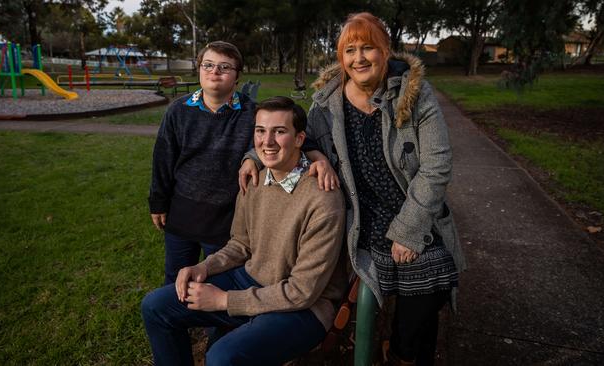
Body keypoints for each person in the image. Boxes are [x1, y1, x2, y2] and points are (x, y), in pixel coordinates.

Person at [240, 13, 466, 366]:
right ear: (340, 58)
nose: (359, 58)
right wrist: (254, 157)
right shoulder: (327, 104)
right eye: (349, 50)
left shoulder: (414, 94)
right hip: (360, 222)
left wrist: (408, 231)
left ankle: (403, 353)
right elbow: (291, 133)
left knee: (427, 289)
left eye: (368, 48)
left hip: (412, 213)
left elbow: (437, 165)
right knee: (372, 289)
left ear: (386, 50)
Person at [141, 96, 347, 366]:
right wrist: (205, 267)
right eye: (261, 131)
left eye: (280, 131)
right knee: (156, 306)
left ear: (300, 139)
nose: (267, 141)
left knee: (222, 356)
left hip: (306, 308)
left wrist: (225, 300)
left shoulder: (324, 200)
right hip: (251, 280)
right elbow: (241, 244)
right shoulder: (255, 180)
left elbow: (302, 291)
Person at [148, 41, 256, 285]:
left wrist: (317, 156)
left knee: (219, 282)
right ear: (199, 69)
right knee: (176, 280)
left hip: (226, 220)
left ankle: (217, 324)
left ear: (237, 76)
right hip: (181, 214)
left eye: (224, 67)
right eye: (208, 65)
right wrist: (158, 202)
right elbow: (163, 159)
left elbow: (288, 134)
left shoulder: (253, 113)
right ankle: (174, 320)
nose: (214, 71)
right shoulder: (178, 111)